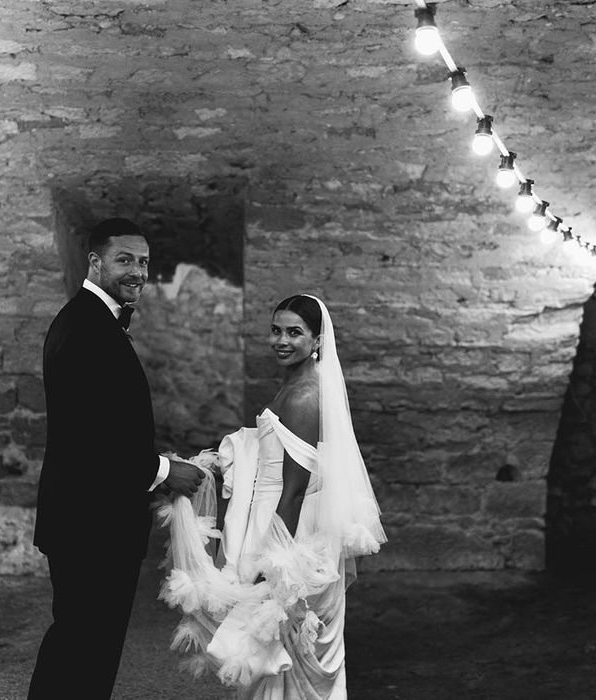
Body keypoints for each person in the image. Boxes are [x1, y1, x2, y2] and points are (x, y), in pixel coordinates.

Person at [157, 294, 387, 699]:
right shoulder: (297, 384)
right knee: (272, 650)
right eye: (276, 330)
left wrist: (275, 565)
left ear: (317, 341)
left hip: (286, 526)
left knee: (282, 639)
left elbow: (294, 490)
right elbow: (273, 453)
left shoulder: (302, 397)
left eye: (294, 332)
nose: (281, 340)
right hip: (276, 512)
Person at [27, 217, 205, 699]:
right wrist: (168, 471)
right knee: (84, 651)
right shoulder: (87, 328)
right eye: (125, 259)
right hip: (92, 524)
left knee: (81, 648)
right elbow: (94, 440)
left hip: (86, 517)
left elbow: (104, 424)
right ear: (95, 262)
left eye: (144, 262)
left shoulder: (87, 320)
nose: (138, 272)